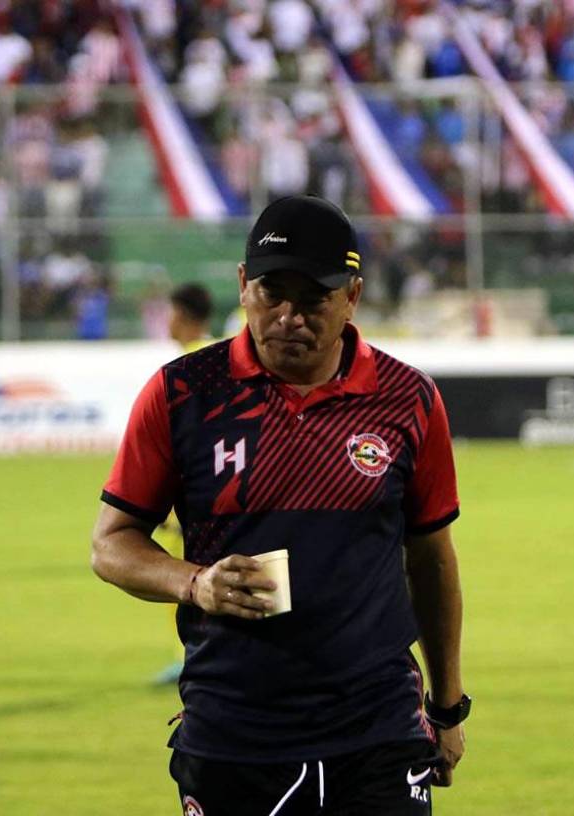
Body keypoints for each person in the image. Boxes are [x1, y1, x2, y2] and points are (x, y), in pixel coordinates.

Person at [92, 195, 468, 814]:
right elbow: (111, 543)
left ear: (352, 295)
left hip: (380, 732)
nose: (290, 316)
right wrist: (196, 583)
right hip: (235, 734)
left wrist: (448, 708)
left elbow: (431, 560)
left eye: (314, 296)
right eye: (273, 292)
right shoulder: (182, 394)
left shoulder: (408, 400)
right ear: (243, 287)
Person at [151, 282, 217, 686]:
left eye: (169, 311)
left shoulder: (188, 367)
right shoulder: (221, 353)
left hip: (194, 493)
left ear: (182, 315)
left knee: (181, 575)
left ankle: (192, 655)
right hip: (216, 488)